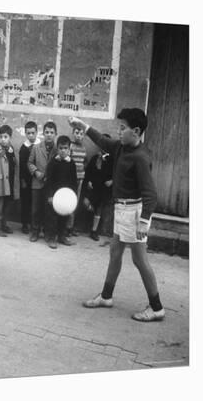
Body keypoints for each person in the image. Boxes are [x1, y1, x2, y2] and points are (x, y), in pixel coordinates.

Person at [69, 109, 165, 322]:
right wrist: (81, 125)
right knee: (114, 252)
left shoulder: (141, 158)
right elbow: (102, 140)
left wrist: (143, 221)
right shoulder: (121, 147)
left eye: (123, 128)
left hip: (134, 214)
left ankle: (157, 307)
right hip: (121, 210)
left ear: (136, 131)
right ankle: (106, 296)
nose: (119, 132)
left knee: (140, 260)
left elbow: (150, 194)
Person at [44, 135, 77, 249]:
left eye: (65, 148)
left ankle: (62, 236)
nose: (63, 151)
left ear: (69, 149)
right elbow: (49, 180)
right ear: (57, 149)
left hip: (66, 197)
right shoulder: (53, 162)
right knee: (53, 218)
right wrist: (50, 195)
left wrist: (73, 197)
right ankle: (52, 238)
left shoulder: (71, 163)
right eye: (61, 148)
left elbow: (73, 181)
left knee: (64, 217)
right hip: (54, 196)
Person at [0, 125, 20, 237]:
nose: (3, 139)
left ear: (10, 137)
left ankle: (4, 224)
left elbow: (15, 165)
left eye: (5, 137)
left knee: (6, 206)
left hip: (10, 182)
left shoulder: (13, 151)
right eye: (1, 137)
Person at [27, 121, 57, 242]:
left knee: (49, 210)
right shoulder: (36, 147)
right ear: (43, 133)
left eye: (52, 132)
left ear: (55, 134)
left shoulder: (57, 148)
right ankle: (35, 231)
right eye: (47, 132)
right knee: (35, 209)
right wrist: (35, 172)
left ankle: (48, 234)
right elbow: (29, 162)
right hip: (37, 183)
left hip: (51, 185)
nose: (49, 135)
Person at [81, 135, 113, 241]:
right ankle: (91, 213)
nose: (103, 148)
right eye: (101, 145)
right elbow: (88, 171)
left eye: (106, 145)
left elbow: (117, 172)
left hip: (104, 189)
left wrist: (112, 181)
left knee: (99, 208)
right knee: (85, 203)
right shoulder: (95, 158)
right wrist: (88, 181)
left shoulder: (111, 159)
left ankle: (94, 231)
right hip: (93, 187)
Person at [18, 121, 40, 234]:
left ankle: (35, 224)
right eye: (28, 133)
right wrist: (22, 180)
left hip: (37, 179)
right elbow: (22, 165)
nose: (31, 135)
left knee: (36, 203)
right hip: (26, 180)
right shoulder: (23, 148)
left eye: (33, 133)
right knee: (25, 202)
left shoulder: (40, 145)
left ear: (37, 132)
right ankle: (25, 224)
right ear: (25, 133)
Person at [68, 126, 88, 236]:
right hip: (71, 179)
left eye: (81, 134)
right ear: (73, 133)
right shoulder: (70, 146)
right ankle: (65, 227)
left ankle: (71, 227)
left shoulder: (84, 149)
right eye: (76, 133)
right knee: (68, 202)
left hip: (80, 179)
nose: (78, 136)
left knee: (75, 203)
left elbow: (84, 161)